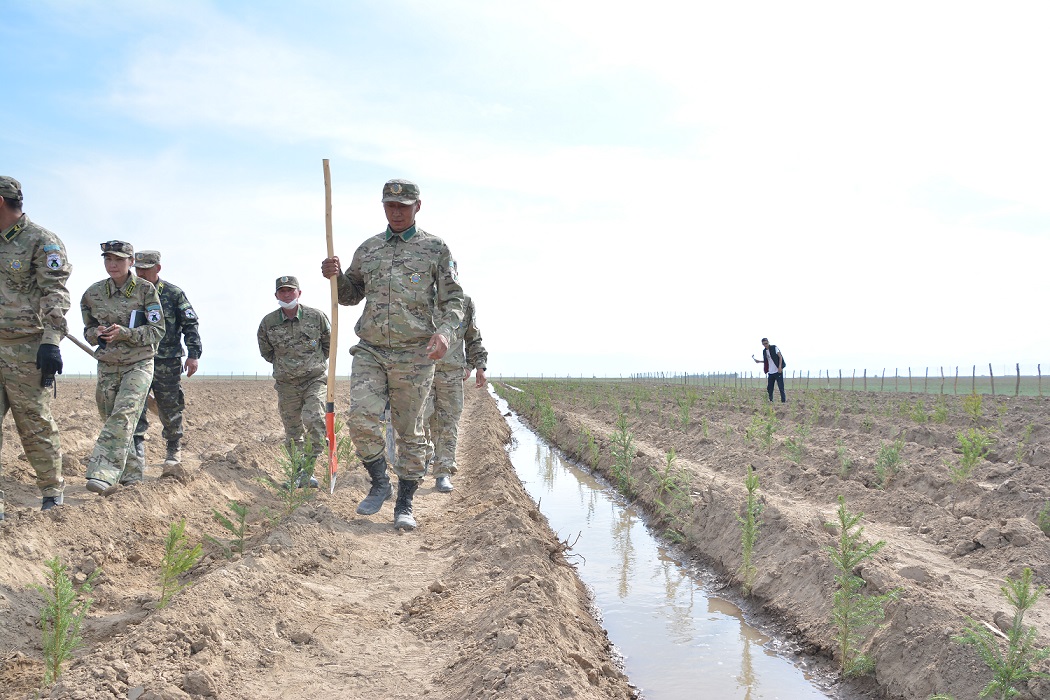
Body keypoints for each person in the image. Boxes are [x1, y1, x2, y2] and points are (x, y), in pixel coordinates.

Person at [321, 178, 463, 530]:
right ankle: (380, 482)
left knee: (409, 431)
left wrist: (445, 333)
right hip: (371, 349)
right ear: (383, 207)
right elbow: (351, 295)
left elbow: (454, 300)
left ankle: (405, 502)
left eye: (403, 206)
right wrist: (335, 278)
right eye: (390, 206)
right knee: (361, 420)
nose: (396, 212)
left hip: (415, 354)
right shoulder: (368, 249)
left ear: (418, 206)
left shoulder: (435, 249)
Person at [0, 176, 71, 519]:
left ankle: (52, 491)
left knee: (33, 423)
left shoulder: (42, 242)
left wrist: (51, 342)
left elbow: (56, 295)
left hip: (25, 349)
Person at [81, 241, 165, 492]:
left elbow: (157, 330)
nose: (112, 264)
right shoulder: (92, 293)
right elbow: (87, 330)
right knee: (111, 419)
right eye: (107, 259)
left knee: (124, 414)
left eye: (118, 259)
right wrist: (96, 333)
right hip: (107, 364)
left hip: (138, 363)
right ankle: (132, 477)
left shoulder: (145, 290)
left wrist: (125, 333)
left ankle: (103, 473)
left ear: (131, 262)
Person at [256, 276, 330, 488]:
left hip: (313, 380)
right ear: (276, 295)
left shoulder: (316, 317)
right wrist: (287, 367)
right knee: (293, 430)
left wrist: (310, 364)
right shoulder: (268, 323)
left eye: (291, 290)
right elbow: (267, 352)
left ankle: (309, 468)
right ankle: (299, 472)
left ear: (299, 293)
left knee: (315, 419)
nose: (287, 294)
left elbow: (328, 345)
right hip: (287, 384)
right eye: (282, 291)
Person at [131, 250, 202, 468]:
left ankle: (173, 447)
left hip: (167, 360)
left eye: (146, 268)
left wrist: (193, 355)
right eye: (138, 268)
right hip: (135, 359)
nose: (141, 273)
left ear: (157, 268)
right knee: (136, 405)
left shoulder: (173, 294)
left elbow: (190, 325)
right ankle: (137, 451)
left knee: (170, 405)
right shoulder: (129, 293)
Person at [423, 292, 488, 493]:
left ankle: (443, 472)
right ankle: (423, 459)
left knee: (448, 422)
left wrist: (478, 366)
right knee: (420, 420)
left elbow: (472, 337)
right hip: (420, 371)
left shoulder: (464, 303)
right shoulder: (420, 295)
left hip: (451, 372)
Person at [754, 337, 786, 403]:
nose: (765, 345)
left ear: (768, 342)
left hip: (777, 371)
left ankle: (783, 402)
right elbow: (767, 361)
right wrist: (759, 361)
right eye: (764, 344)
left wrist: (780, 367)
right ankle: (770, 401)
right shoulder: (764, 351)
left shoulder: (774, 347)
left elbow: (780, 357)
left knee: (781, 387)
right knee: (769, 388)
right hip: (771, 372)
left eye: (766, 343)